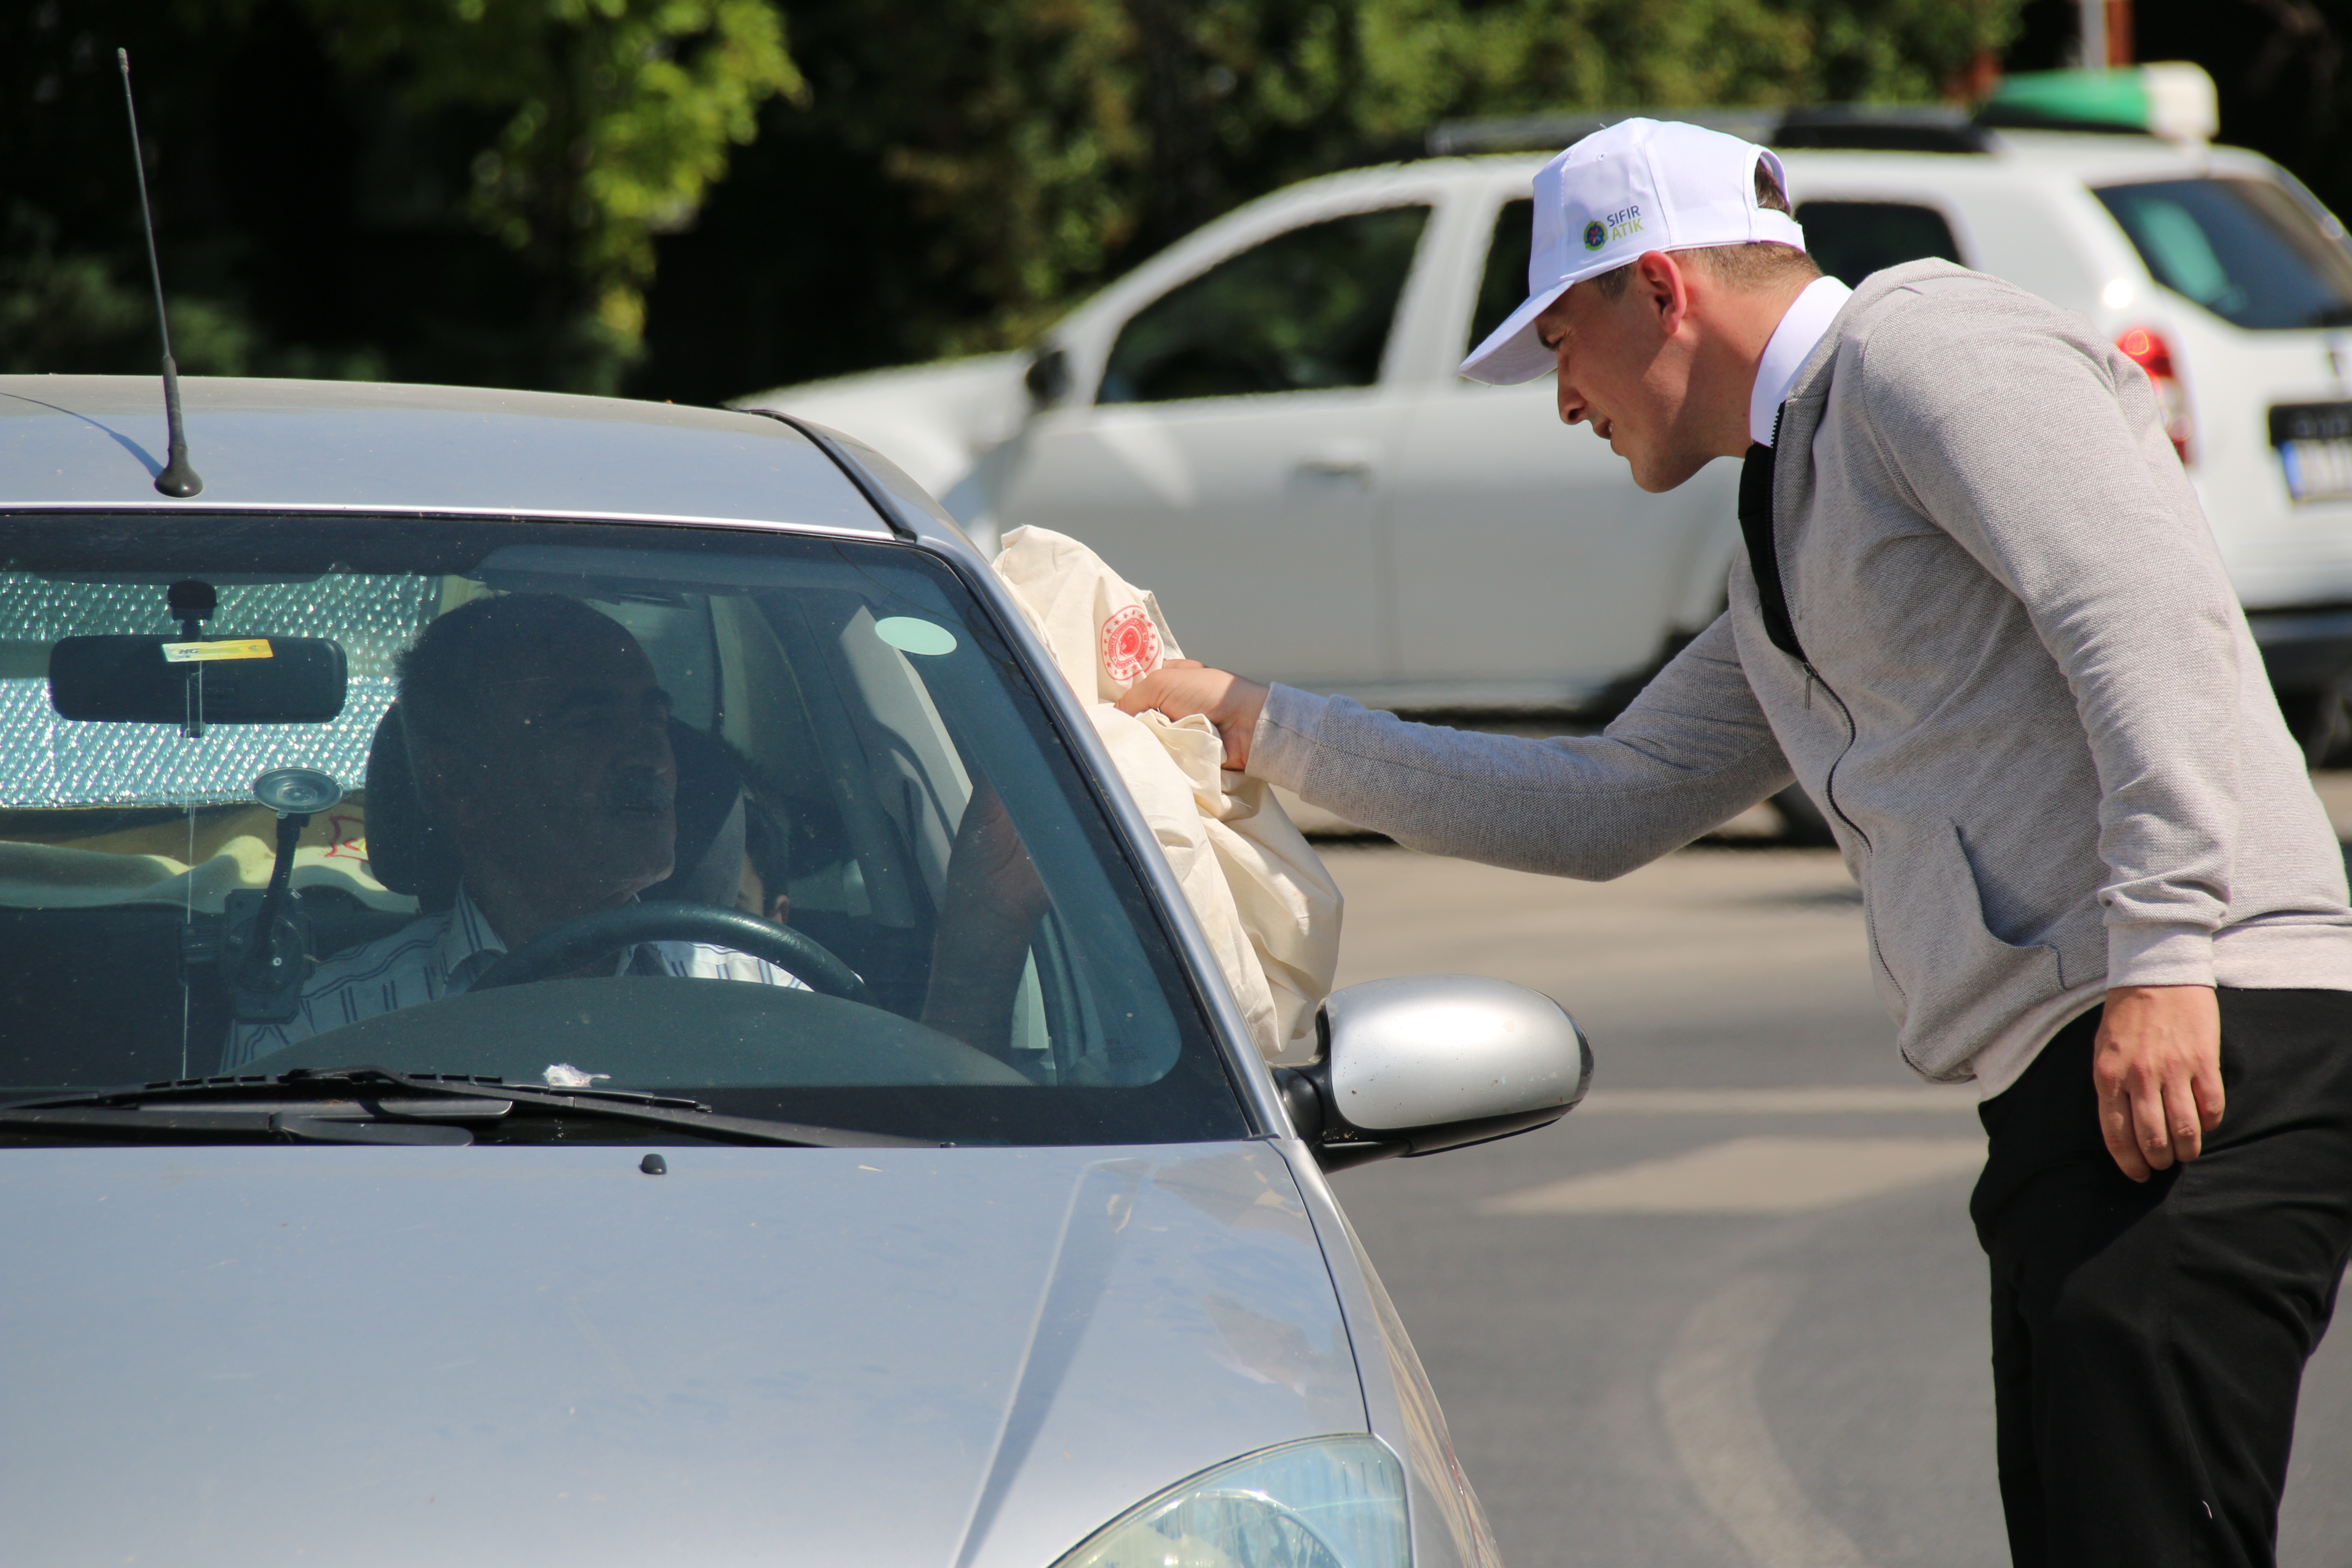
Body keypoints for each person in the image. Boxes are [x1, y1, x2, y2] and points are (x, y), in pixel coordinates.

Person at [1120, 118, 2352, 1568]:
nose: (1562, 397)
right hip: (2076, 1085)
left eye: (1561, 338)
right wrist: (1248, 716)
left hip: (2202, 1036)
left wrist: (2161, 950)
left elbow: (2143, 616)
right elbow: (1607, 800)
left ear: (1660, 289)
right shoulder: (1791, 524)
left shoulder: (1922, 346)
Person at [227, 594, 1045, 1066]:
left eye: (654, 720)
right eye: (588, 724)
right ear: (457, 781)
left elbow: (908, 1190)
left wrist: (988, 928)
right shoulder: (324, 1027)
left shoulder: (768, 999)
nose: (648, 756)